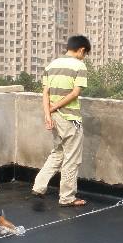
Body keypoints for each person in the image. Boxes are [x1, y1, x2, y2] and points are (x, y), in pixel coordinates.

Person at [32, 35, 91, 206]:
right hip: (70, 119)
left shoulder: (52, 65)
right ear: (81, 50)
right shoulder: (79, 66)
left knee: (58, 153)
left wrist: (48, 114)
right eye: (85, 54)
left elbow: (45, 93)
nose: (84, 57)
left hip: (55, 118)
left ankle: (38, 186)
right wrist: (52, 109)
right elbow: (75, 93)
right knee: (71, 158)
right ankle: (67, 197)